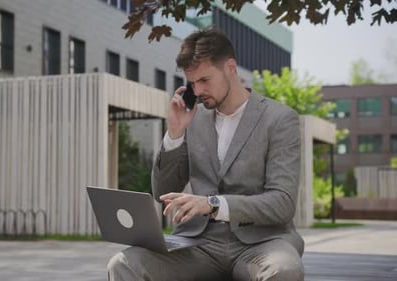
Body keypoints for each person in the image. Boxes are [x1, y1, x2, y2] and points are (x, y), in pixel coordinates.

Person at [108, 27, 304, 281]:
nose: (197, 91)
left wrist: (212, 205)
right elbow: (162, 192)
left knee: (284, 270)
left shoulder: (279, 119)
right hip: (198, 245)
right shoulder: (193, 119)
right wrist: (176, 133)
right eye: (191, 83)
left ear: (230, 67)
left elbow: (282, 203)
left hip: (261, 243)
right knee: (124, 263)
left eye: (204, 80)